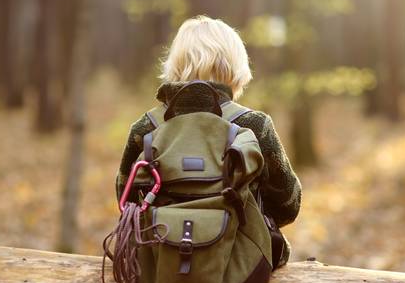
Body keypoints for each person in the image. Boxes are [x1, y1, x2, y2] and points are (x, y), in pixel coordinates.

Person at [115, 15, 302, 268]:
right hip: (241, 271)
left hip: (158, 265)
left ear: (176, 64)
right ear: (236, 66)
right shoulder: (254, 126)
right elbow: (288, 205)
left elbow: (124, 199)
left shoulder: (146, 128)